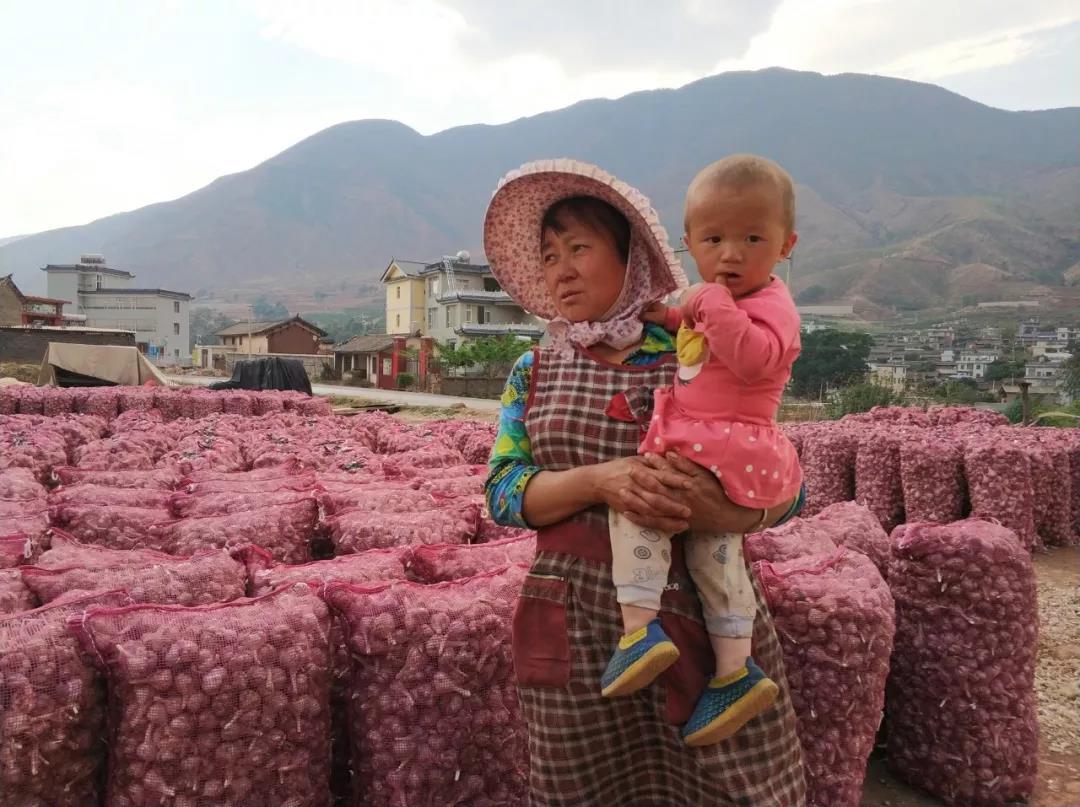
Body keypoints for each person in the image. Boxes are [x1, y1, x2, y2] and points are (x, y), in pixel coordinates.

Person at [483, 158, 806, 805]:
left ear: (632, 257)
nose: (563, 269)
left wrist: (727, 511)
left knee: (730, 782)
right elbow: (504, 491)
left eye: (580, 248)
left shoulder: (696, 345)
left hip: (698, 610)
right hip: (575, 621)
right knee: (588, 786)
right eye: (549, 256)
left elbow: (783, 477)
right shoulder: (534, 369)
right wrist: (604, 481)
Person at [600, 154, 805, 748]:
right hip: (715, 448)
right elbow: (679, 313)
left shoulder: (770, 305)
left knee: (638, 503)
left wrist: (711, 304)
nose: (731, 255)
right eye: (714, 239)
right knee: (717, 553)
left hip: (729, 443)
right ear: (689, 242)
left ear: (785, 245)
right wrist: (659, 312)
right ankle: (735, 671)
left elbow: (756, 359)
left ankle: (639, 629)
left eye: (752, 239)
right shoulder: (707, 296)